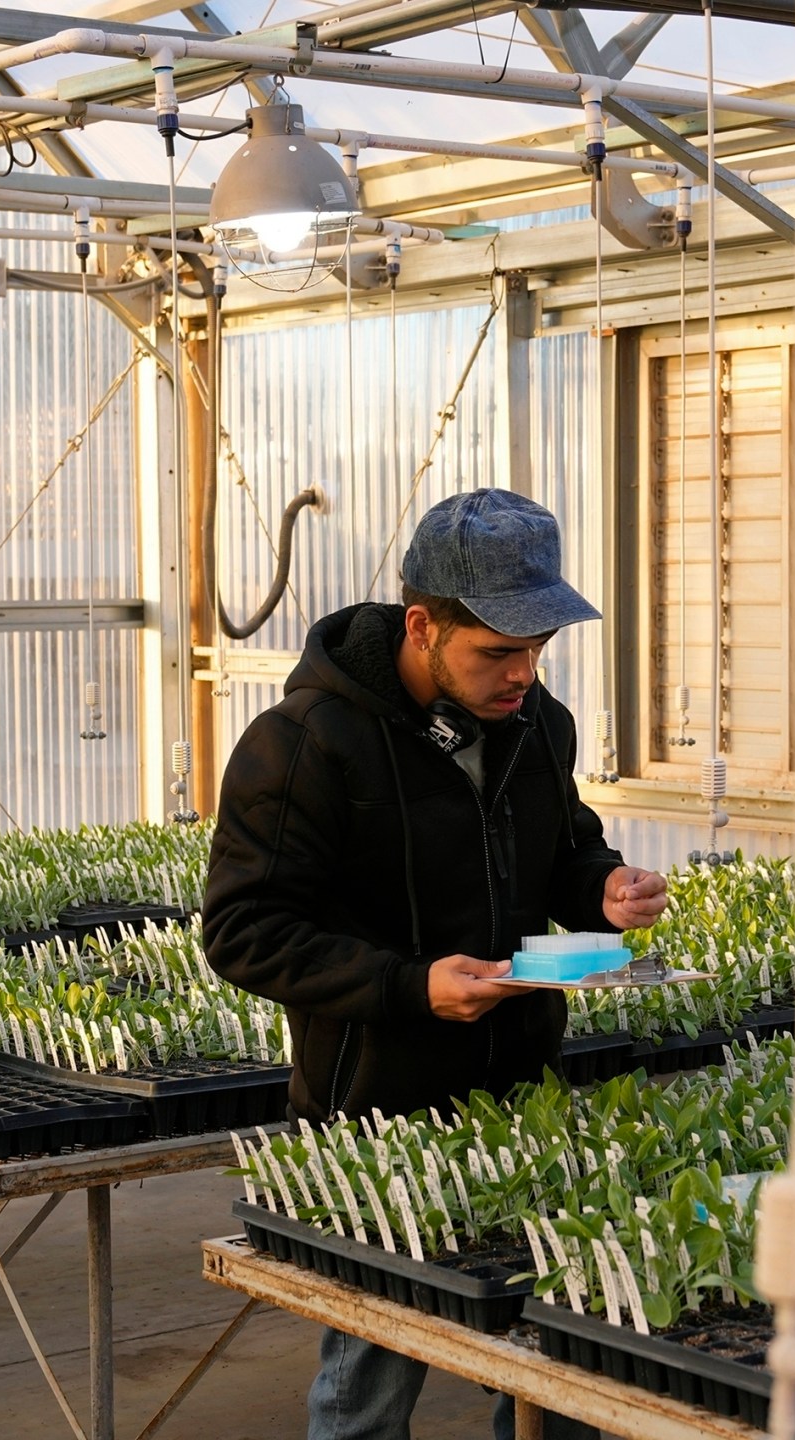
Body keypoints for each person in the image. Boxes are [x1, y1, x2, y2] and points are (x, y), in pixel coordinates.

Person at [204, 488, 668, 1440]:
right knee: (373, 1374)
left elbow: (564, 849)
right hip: (376, 1112)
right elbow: (243, 929)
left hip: (519, 1101)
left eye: (537, 649)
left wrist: (606, 888)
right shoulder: (302, 746)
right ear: (421, 626)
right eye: (498, 651)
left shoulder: (539, 724)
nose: (523, 675)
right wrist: (409, 986)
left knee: (551, 1362)